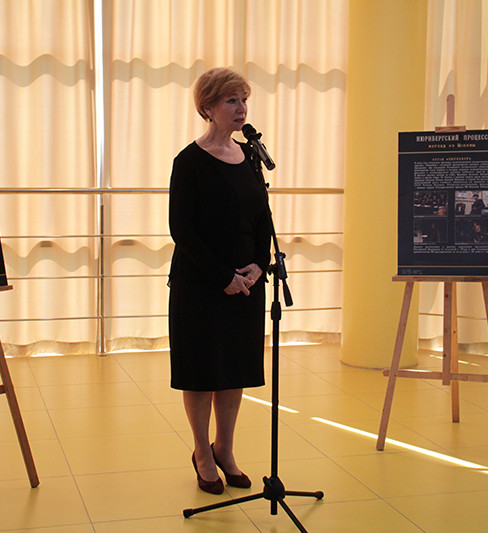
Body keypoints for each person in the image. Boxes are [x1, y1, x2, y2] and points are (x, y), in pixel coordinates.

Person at [168, 67, 272, 495]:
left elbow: (262, 218)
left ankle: (225, 448)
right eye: (231, 100)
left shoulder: (249, 156)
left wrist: (260, 265)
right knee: (201, 372)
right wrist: (223, 277)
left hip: (246, 284)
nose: (241, 107)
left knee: (235, 369)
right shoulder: (189, 162)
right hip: (201, 285)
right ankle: (202, 452)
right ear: (207, 107)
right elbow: (182, 229)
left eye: (243, 99)